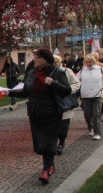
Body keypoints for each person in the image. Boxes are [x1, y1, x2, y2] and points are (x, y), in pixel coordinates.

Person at [4, 47, 71, 184]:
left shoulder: (56, 73)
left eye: (37, 58)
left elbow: (67, 90)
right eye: (34, 58)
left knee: (49, 141)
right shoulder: (31, 73)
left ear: (45, 60)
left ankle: (45, 170)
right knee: (40, 143)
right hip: (35, 112)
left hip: (51, 113)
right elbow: (25, 91)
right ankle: (50, 165)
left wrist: (53, 83)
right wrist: (9, 92)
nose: (34, 60)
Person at [77, 54, 103, 140]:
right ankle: (91, 127)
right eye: (87, 62)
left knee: (96, 113)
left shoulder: (100, 70)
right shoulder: (82, 71)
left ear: (94, 61)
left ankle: (97, 132)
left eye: (90, 62)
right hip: (86, 95)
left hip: (97, 95)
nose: (88, 64)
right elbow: (76, 81)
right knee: (87, 114)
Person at [53, 55, 80, 155]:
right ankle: (53, 143)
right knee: (54, 124)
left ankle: (62, 142)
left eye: (56, 62)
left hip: (65, 101)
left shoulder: (67, 71)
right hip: (53, 102)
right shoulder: (49, 72)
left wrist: (68, 90)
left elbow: (76, 83)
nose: (54, 64)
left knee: (63, 124)